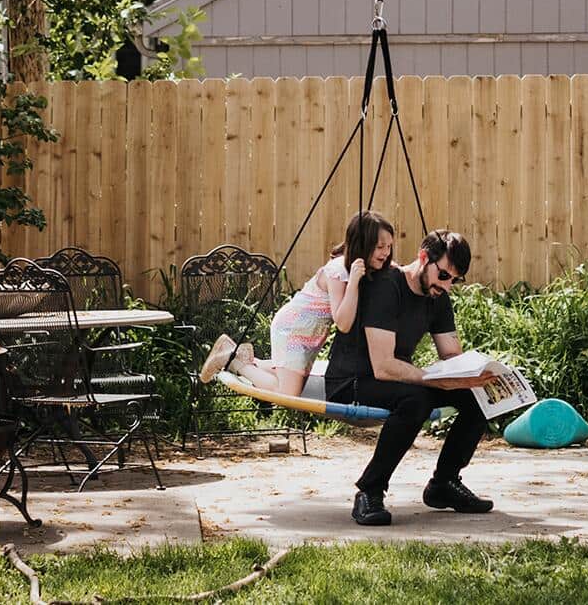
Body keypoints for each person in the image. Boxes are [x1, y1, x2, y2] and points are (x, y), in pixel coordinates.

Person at [323, 229, 496, 526]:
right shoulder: (387, 286)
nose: (448, 285)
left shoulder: (437, 294)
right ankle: (370, 491)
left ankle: (444, 485)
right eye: (444, 275)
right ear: (423, 258)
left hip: (393, 381)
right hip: (352, 381)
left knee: (476, 397)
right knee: (416, 398)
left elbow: (451, 354)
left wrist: (476, 374)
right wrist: (431, 379)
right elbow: (383, 366)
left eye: (455, 280)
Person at [199, 211, 396, 396]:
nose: (386, 252)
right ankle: (234, 362)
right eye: (380, 247)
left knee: (286, 378)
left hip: (309, 336)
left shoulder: (359, 267)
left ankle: (244, 357)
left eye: (389, 247)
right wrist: (353, 282)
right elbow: (343, 323)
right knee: (288, 393)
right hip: (293, 330)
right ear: (362, 244)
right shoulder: (339, 270)